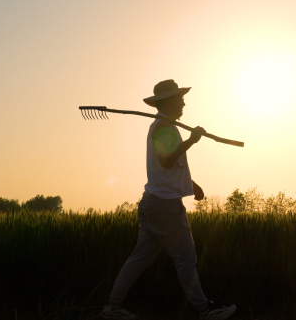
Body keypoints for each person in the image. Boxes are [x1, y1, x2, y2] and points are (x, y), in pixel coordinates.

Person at [100, 79, 237, 320]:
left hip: (154, 203)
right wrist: (192, 140)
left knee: (139, 258)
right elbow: (166, 159)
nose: (183, 101)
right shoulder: (163, 127)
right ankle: (205, 310)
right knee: (186, 259)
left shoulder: (164, 126)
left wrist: (191, 184)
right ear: (169, 101)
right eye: (179, 97)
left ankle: (112, 306)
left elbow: (167, 168)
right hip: (165, 206)